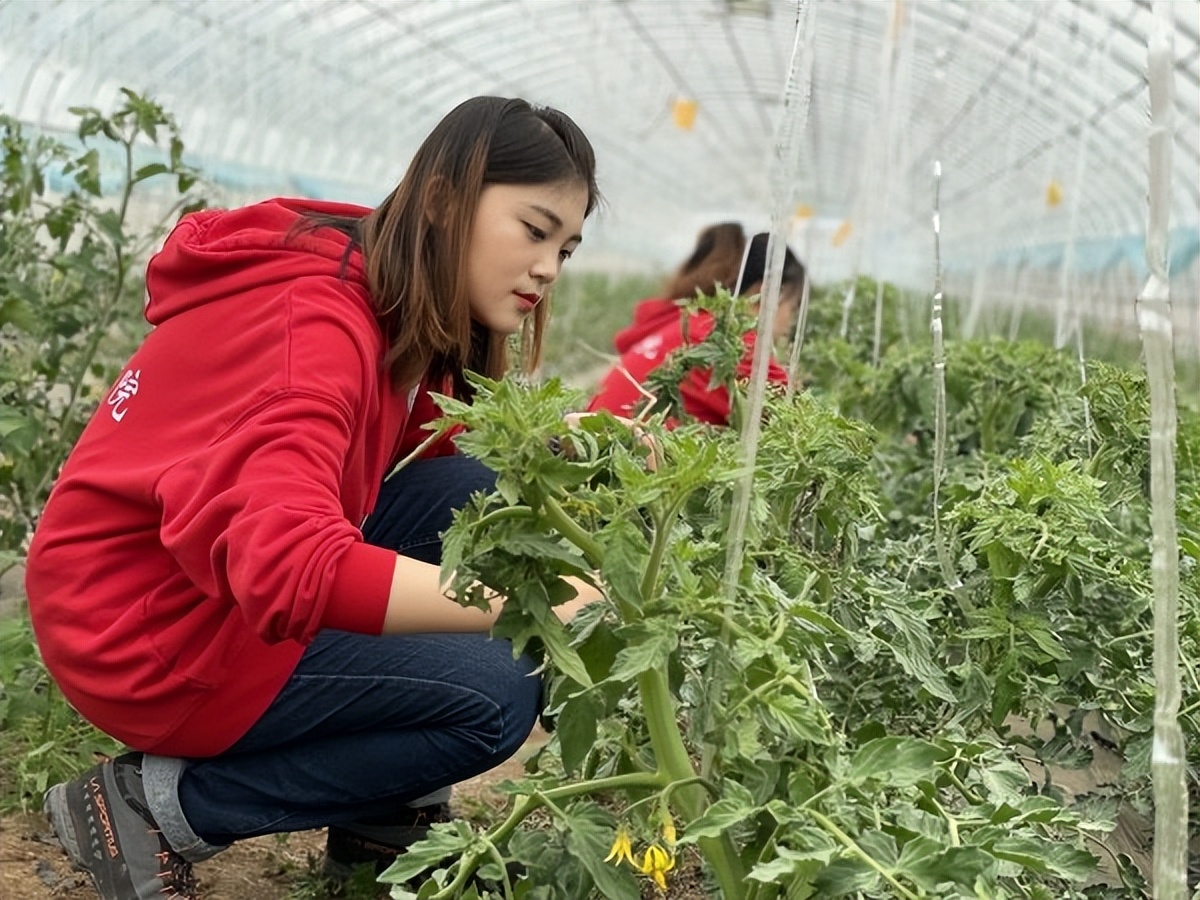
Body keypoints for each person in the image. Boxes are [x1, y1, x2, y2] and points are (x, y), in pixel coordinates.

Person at [24, 95, 600, 900]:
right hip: (147, 631)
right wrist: (520, 599)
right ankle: (158, 810)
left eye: (566, 248)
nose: (547, 266)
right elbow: (290, 564)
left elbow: (415, 449)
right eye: (533, 230)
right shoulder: (313, 325)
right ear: (442, 198)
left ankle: (384, 816)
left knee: (485, 497)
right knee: (491, 693)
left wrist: (556, 443)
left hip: (192, 579)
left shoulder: (385, 289)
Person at [587, 223, 806, 426]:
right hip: (633, 463)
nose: (791, 320)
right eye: (793, 307)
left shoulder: (687, 323)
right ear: (768, 293)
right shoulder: (730, 342)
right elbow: (801, 429)